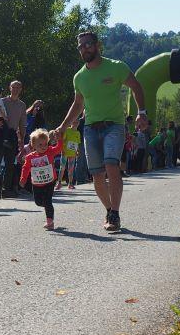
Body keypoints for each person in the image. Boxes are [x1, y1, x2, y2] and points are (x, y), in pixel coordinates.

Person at [61, 32, 147, 232]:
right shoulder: (79, 77)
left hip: (114, 126)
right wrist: (62, 127)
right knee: (97, 175)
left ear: (97, 45)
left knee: (111, 165)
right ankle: (109, 210)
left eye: (88, 44)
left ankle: (115, 213)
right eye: (80, 46)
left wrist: (141, 112)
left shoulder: (116, 67)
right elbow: (78, 104)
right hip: (90, 129)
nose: (84, 49)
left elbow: (136, 86)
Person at [20, 126, 67, 230]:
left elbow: (59, 148)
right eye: (40, 145)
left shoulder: (50, 151)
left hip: (50, 181)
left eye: (45, 144)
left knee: (48, 201)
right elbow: (25, 168)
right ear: (33, 145)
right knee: (38, 202)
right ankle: (48, 207)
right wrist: (23, 179)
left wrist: (59, 139)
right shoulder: (30, 157)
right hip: (37, 183)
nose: (43, 147)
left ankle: (50, 221)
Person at [57, 122, 81, 189]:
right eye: (74, 122)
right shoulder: (67, 130)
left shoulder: (78, 133)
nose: (75, 123)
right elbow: (63, 140)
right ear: (71, 123)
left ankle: (70, 183)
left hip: (73, 153)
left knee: (71, 169)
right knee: (62, 167)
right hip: (65, 152)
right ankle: (59, 183)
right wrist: (62, 149)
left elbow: (77, 143)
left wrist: (78, 151)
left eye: (77, 122)